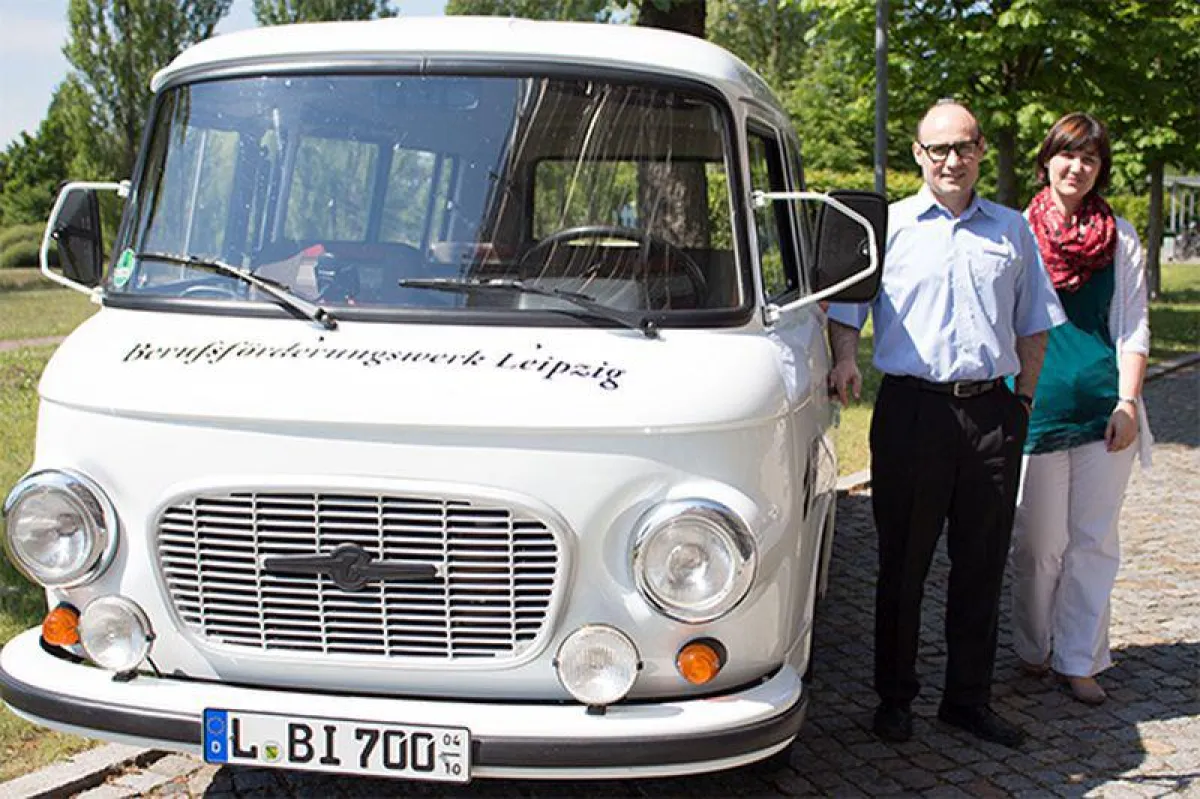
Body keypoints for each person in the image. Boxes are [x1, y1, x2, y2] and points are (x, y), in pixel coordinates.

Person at [827, 99, 1065, 748]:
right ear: (917, 154)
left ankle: (967, 699)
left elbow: (1034, 324)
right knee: (903, 562)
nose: (951, 160)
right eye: (938, 149)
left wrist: (1022, 403)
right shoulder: (888, 227)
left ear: (982, 149)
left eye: (963, 147)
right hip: (912, 412)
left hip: (992, 413)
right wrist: (846, 360)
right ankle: (894, 698)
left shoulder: (1013, 231)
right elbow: (847, 310)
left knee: (981, 563)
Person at [1010, 112, 1151, 706]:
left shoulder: (1119, 238)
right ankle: (1034, 645)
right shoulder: (1018, 232)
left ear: (1100, 170)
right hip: (1037, 408)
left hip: (1102, 410)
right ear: (1047, 161)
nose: (1077, 167)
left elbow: (1134, 326)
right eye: (1067, 155)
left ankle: (1080, 657)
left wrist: (1127, 400)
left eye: (1090, 159)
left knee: (1093, 540)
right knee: (1040, 543)